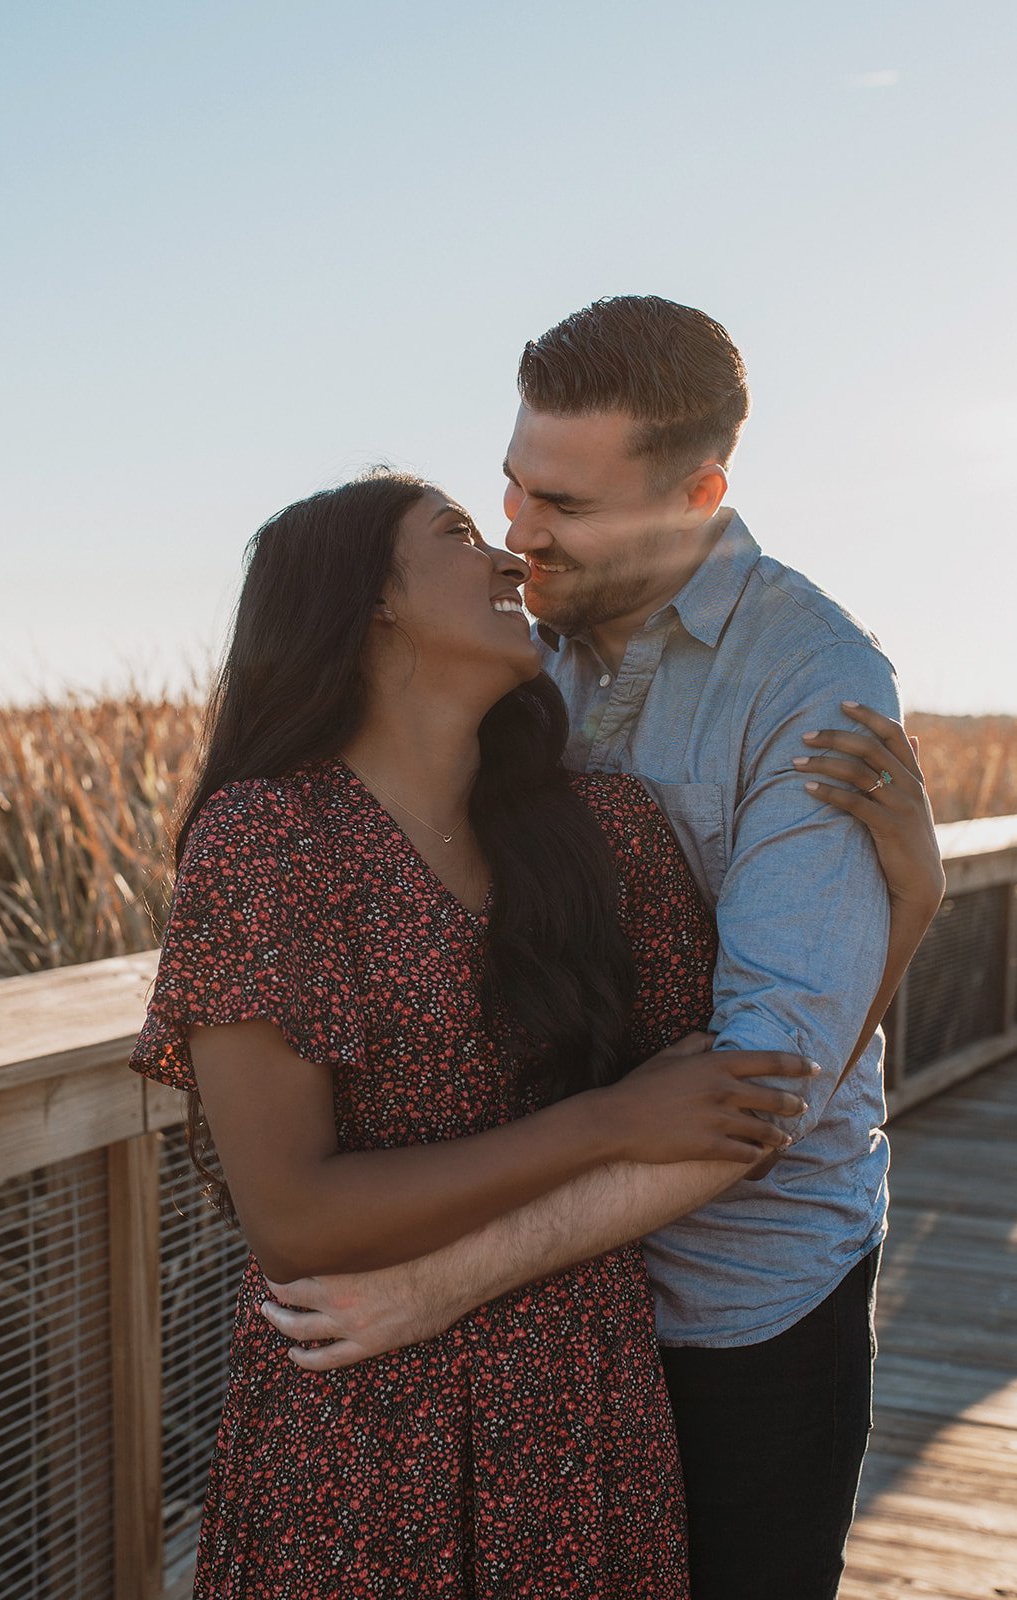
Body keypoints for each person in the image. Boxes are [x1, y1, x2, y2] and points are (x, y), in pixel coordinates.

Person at [261, 299, 946, 1600]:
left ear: (696, 495)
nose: (516, 533)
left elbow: (760, 1092)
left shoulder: (810, 680)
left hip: (731, 1295)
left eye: (562, 506)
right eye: (512, 484)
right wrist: (904, 920)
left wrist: (432, 1289)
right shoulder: (508, 648)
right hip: (548, 1302)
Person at [131, 470, 834, 1598]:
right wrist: (604, 1122)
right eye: (459, 534)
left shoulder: (598, 831)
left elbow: (742, 1094)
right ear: (368, 601)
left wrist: (906, 894)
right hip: (359, 1418)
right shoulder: (270, 840)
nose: (510, 559)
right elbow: (294, 1219)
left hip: (581, 1413)